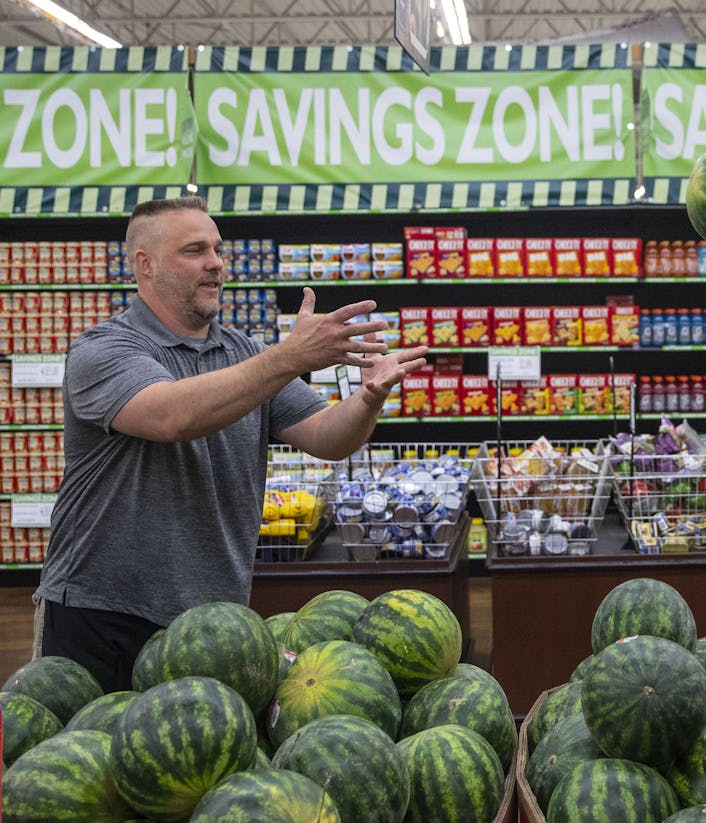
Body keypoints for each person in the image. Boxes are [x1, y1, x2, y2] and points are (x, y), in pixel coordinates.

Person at [34, 196, 428, 691]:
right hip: (104, 615)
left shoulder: (242, 352)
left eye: (218, 249)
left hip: (213, 620)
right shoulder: (105, 349)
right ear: (145, 265)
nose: (216, 263)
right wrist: (288, 356)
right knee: (93, 760)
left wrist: (369, 398)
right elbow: (173, 414)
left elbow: (327, 437)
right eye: (195, 250)